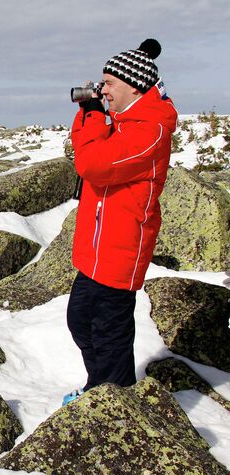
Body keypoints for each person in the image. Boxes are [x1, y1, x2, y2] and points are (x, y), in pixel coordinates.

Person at [63, 39, 178, 405]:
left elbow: (92, 165)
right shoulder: (124, 123)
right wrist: (90, 111)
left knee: (109, 333)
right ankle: (102, 387)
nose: (103, 90)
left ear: (134, 86)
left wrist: (95, 114)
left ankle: (114, 401)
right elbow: (81, 145)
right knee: (81, 320)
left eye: (109, 82)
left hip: (120, 248)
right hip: (96, 248)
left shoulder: (151, 129)